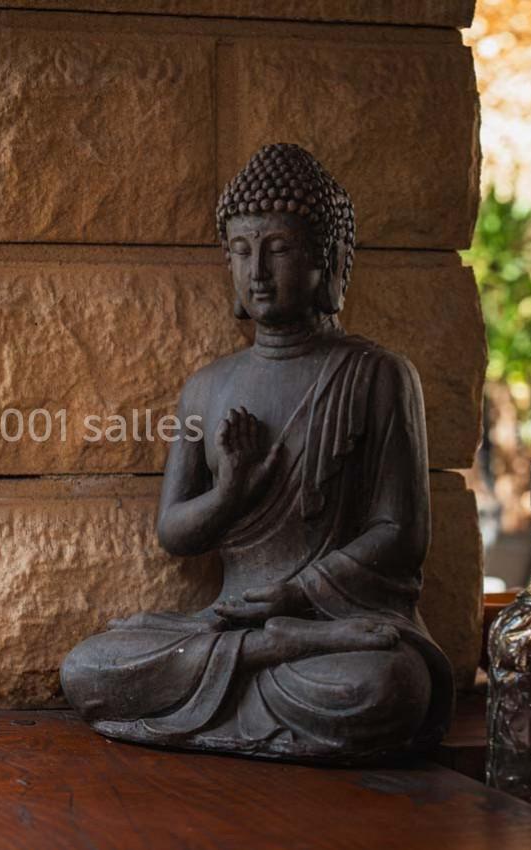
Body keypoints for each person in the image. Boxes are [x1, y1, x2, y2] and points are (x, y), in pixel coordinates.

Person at [61, 144, 453, 763]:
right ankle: (271, 651)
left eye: (280, 249)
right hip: (231, 624)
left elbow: (401, 532)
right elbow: (174, 532)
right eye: (241, 252)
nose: (258, 271)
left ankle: (283, 649)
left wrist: (296, 595)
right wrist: (232, 492)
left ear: (325, 262)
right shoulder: (207, 387)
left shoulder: (377, 374)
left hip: (330, 627)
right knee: (87, 668)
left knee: (390, 686)